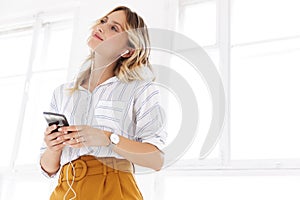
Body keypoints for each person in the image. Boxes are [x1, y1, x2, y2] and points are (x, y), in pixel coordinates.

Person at [40, 6, 166, 200]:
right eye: (103, 21)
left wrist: (107, 138)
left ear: (127, 51)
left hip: (115, 187)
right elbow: (48, 168)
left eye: (114, 28)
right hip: (65, 189)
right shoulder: (62, 93)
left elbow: (156, 160)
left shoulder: (140, 89)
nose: (102, 27)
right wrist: (53, 147)